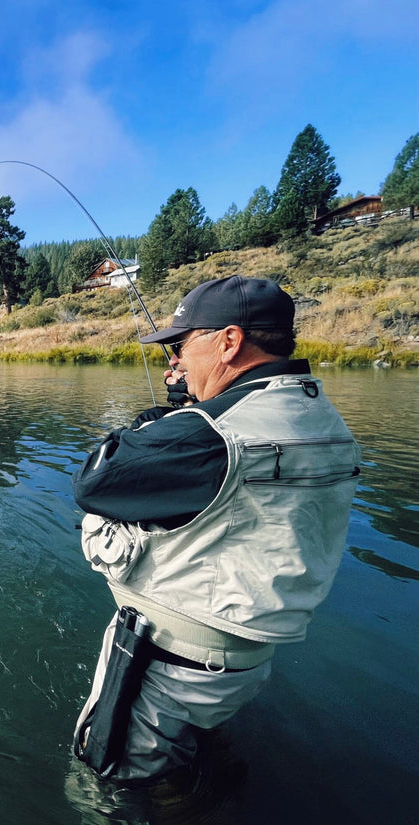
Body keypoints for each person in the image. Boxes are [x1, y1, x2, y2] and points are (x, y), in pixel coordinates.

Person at [70, 275, 361, 782]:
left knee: (110, 785)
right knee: (188, 759)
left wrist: (160, 419)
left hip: (167, 663)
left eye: (181, 346)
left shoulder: (211, 434)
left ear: (229, 341)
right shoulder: (323, 417)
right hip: (242, 660)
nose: (175, 362)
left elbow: (96, 480)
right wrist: (196, 408)